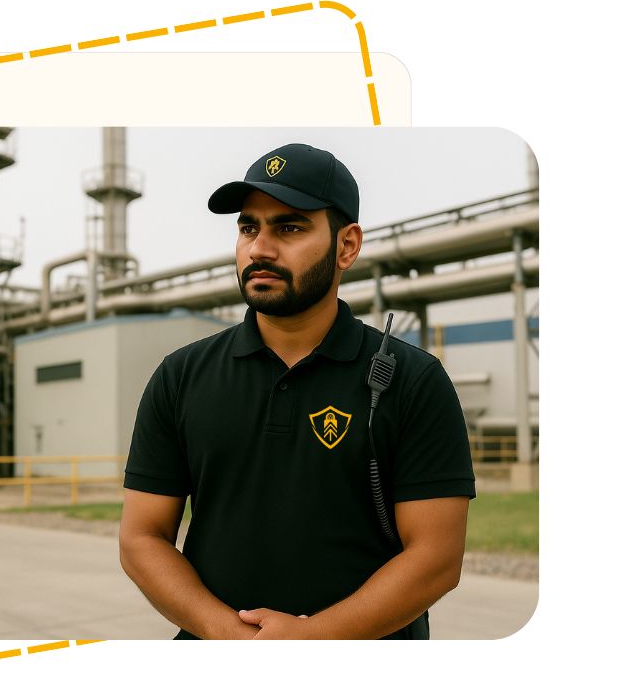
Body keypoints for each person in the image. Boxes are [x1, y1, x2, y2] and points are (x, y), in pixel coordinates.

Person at [119, 143, 476, 640]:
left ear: (347, 246)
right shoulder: (181, 376)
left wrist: (312, 640)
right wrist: (222, 632)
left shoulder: (411, 379)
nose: (260, 249)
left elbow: (437, 558)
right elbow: (141, 537)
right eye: (249, 228)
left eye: (289, 227)